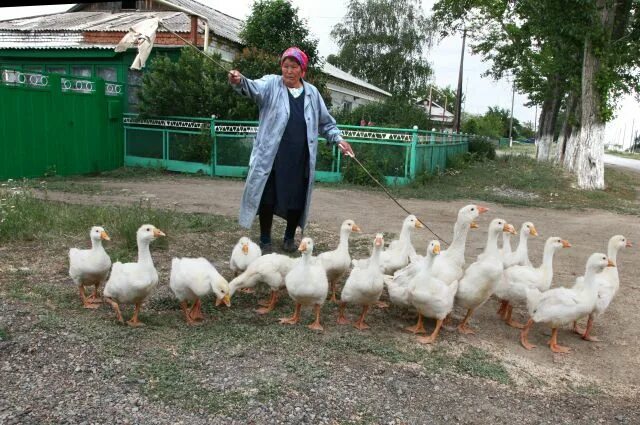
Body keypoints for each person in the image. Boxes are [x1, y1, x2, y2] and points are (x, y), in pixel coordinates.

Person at [228, 47, 354, 253]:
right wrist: (239, 80)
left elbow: (326, 124)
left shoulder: (312, 94)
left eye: (294, 67)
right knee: (267, 198)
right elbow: (252, 87)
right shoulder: (271, 84)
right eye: (285, 66)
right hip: (273, 157)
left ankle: (288, 238)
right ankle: (265, 240)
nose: (288, 71)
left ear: (302, 71)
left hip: (299, 157)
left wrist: (339, 139)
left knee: (296, 200)